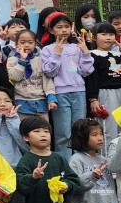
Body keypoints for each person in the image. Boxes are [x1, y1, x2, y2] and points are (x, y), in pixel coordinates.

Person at [39, 10, 95, 157]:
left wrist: (85, 52)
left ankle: (80, 163)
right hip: (60, 93)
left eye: (66, 26)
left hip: (79, 92)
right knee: (63, 132)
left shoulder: (77, 47)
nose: (64, 30)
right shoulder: (47, 49)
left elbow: (86, 71)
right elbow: (49, 71)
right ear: (50, 30)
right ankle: (64, 165)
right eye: (59, 27)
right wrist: (57, 53)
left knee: (80, 130)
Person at [68, 118, 121, 203]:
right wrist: (92, 175)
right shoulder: (76, 159)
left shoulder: (104, 160)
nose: (100, 138)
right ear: (82, 138)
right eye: (94, 135)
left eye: (101, 134)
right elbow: (75, 185)